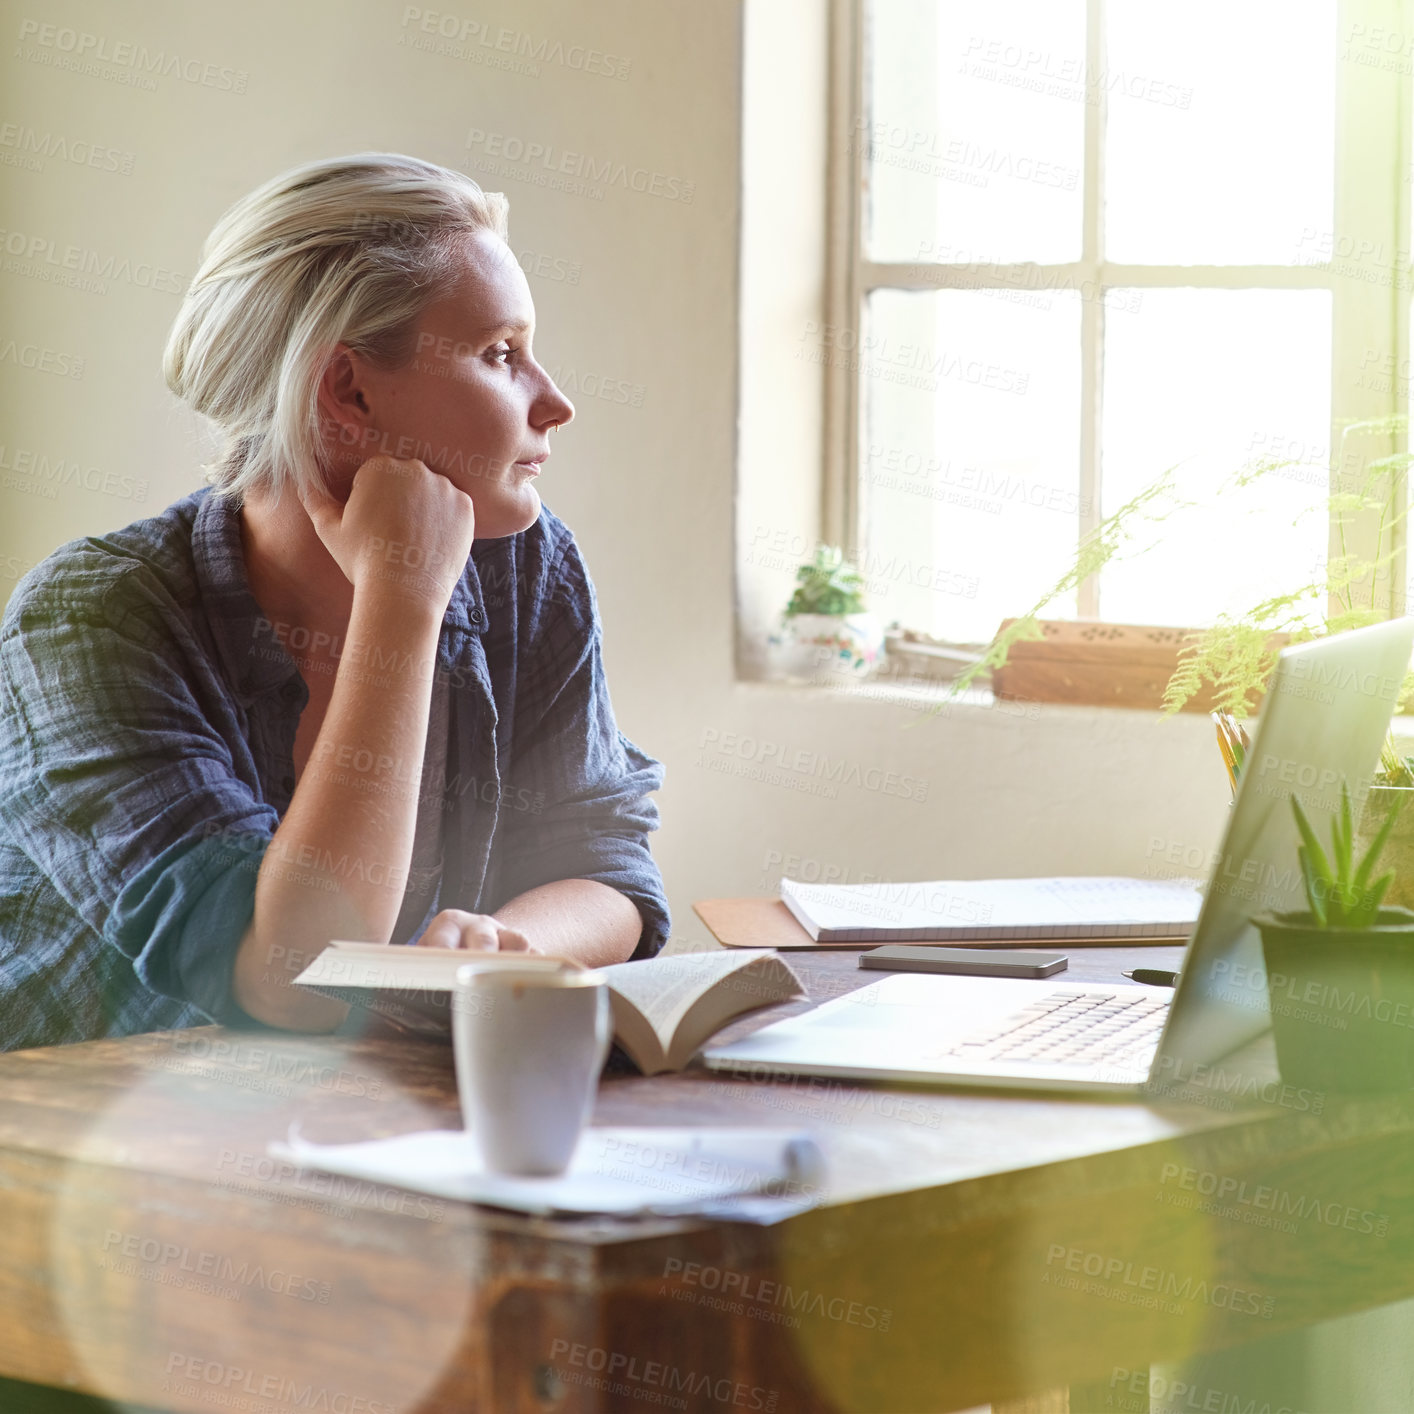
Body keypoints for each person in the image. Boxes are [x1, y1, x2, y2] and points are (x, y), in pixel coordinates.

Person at [0, 153, 670, 1049]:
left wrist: (499, 951)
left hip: (355, 1133)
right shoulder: (91, 620)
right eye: (500, 354)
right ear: (347, 390)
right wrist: (401, 597)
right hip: (75, 1150)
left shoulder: (524, 567)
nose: (555, 404)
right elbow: (294, 980)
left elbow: (606, 865)